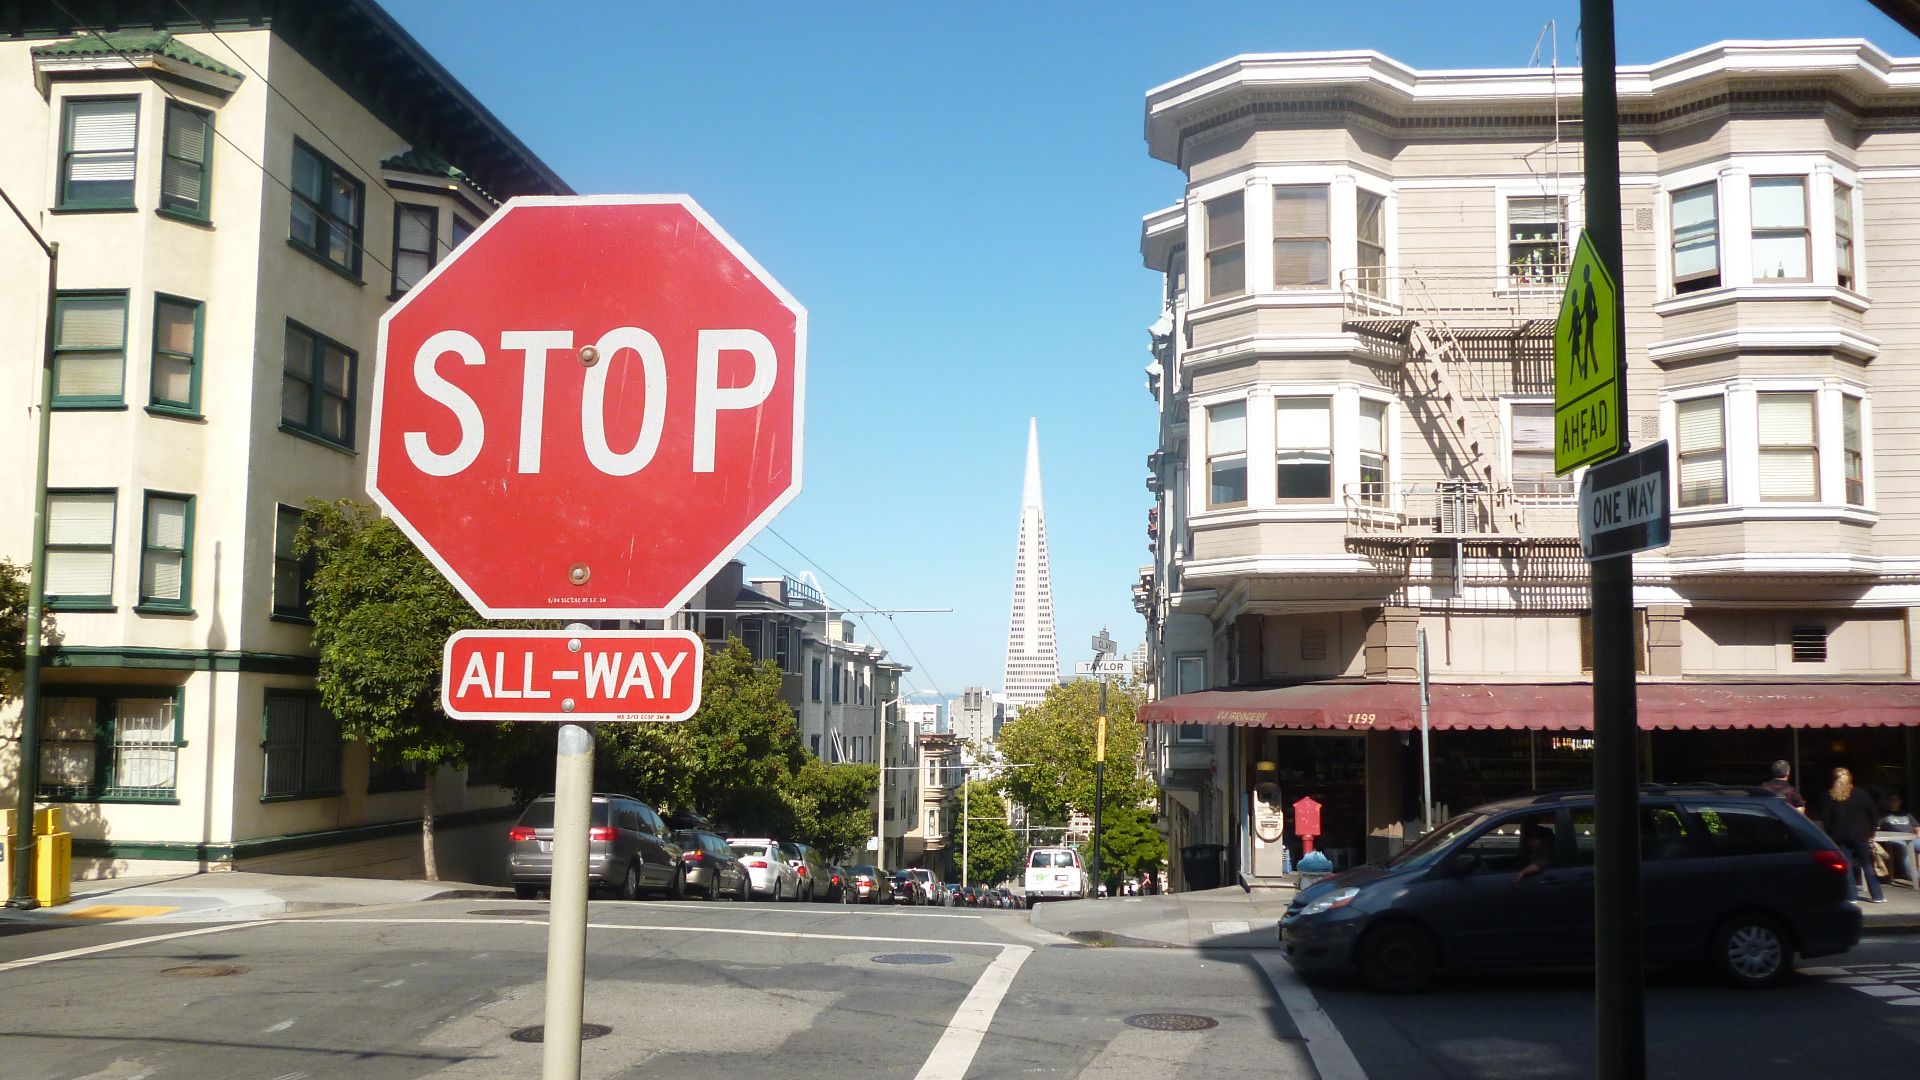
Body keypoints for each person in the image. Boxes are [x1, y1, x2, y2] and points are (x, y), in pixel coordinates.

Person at [1821, 767, 1886, 903]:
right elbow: (1874, 814)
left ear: (1834, 779)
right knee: (1867, 864)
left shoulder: (1830, 796)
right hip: (1862, 835)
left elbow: (1826, 819)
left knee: (1847, 866)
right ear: (1850, 778)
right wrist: (1872, 831)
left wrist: (1830, 833)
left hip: (1840, 836)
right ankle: (1877, 895)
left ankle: (1851, 897)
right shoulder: (1861, 794)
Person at [1878, 793, 1920, 889]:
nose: (1894, 802)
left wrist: (1918, 835)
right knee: (1905, 849)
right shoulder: (1883, 814)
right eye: (1892, 800)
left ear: (1900, 802)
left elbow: (1917, 827)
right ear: (1888, 802)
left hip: (1911, 838)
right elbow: (1876, 828)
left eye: (1896, 800)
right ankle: (1916, 878)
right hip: (1895, 839)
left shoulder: (1906, 813)